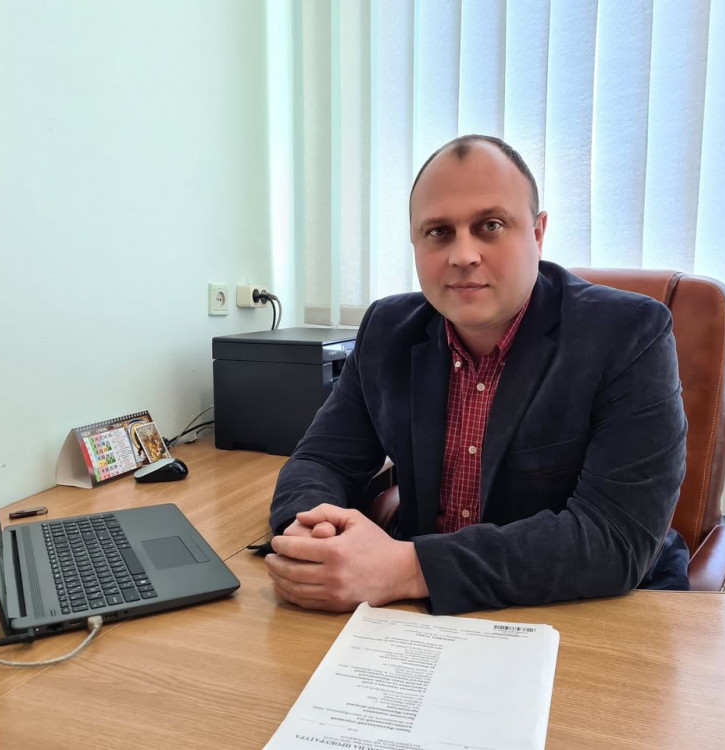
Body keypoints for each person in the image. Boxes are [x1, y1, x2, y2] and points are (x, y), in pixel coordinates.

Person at [266, 135, 689, 615]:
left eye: (490, 225)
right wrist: (313, 534)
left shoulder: (628, 333)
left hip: (590, 610)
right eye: (438, 231)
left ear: (537, 233)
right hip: (421, 617)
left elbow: (613, 537)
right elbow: (322, 460)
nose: (463, 255)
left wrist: (407, 567)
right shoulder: (388, 330)